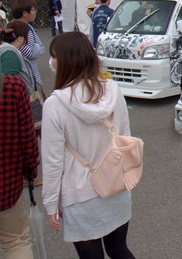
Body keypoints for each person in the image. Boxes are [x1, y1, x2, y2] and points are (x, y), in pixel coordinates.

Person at [42, 32, 136, 259]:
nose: (51, 62)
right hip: (116, 186)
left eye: (53, 56)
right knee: (119, 249)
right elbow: (126, 139)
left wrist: (51, 202)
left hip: (80, 194)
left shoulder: (55, 104)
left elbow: (53, 160)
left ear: (64, 61)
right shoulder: (113, 90)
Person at [0, 72, 40, 258]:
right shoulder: (12, 84)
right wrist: (30, 171)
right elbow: (28, 139)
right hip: (6, 185)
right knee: (16, 242)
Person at [11, 0, 45, 113]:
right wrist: (39, 46)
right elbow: (33, 53)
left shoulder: (14, 25)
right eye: (33, 10)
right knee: (34, 113)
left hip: (26, 77)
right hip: (29, 78)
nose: (35, 12)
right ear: (25, 13)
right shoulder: (24, 29)